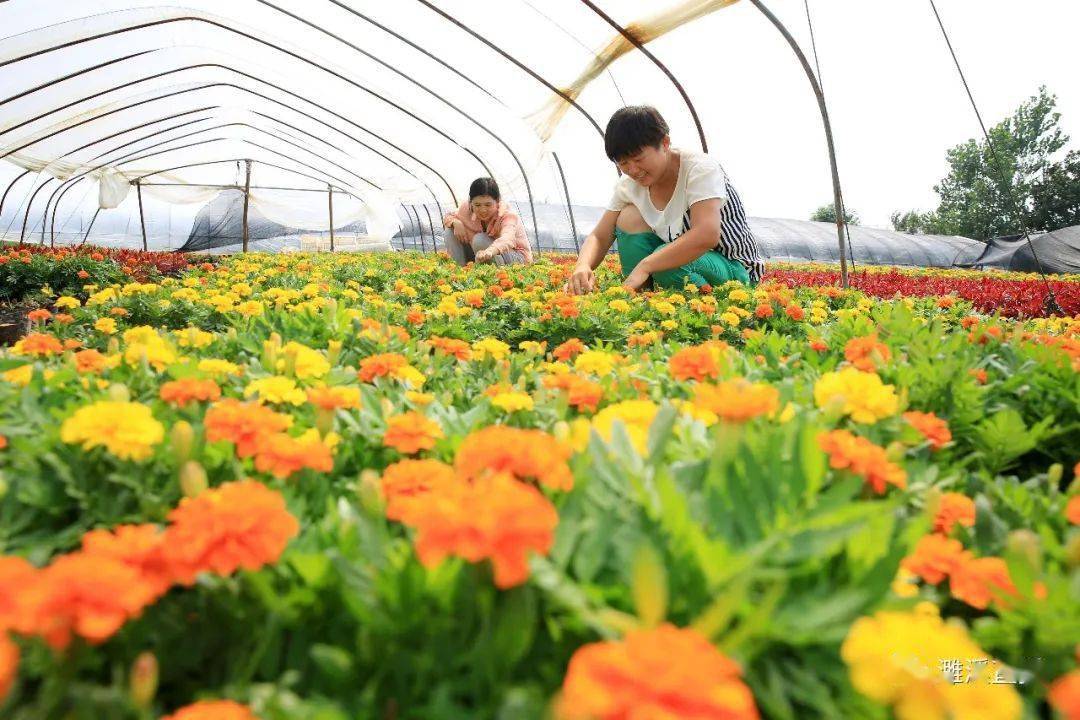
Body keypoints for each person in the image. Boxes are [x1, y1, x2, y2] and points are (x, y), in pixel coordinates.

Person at [567, 106, 764, 295]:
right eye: (623, 163)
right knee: (628, 217)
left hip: (734, 267)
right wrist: (583, 265)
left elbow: (706, 234)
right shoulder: (629, 185)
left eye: (638, 159)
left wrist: (647, 264)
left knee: (665, 261)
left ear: (665, 143)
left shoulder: (700, 169)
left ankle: (706, 306)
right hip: (680, 265)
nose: (633, 170)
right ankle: (642, 296)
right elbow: (600, 236)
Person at [442, 177, 533, 267]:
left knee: (479, 240)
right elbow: (448, 216)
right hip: (482, 254)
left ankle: (495, 277)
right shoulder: (466, 209)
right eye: (477, 205)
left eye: (488, 205)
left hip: (516, 258)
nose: (483, 210)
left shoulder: (506, 214)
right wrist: (456, 222)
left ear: (497, 201)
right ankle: (460, 272)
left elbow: (508, 239)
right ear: (471, 203)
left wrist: (490, 251)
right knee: (450, 232)